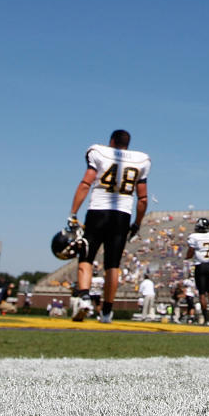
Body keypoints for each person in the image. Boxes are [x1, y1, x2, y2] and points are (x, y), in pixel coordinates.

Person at [68, 129, 150, 324]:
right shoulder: (141, 160)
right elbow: (143, 198)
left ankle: (85, 298)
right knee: (113, 265)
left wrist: (73, 213)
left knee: (86, 256)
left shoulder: (99, 152)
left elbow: (86, 183)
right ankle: (107, 311)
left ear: (111, 141)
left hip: (98, 211)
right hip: (122, 215)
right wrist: (137, 223)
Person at [185, 217, 209, 325]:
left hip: (200, 265)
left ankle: (206, 317)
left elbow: (190, 253)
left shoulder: (194, 237)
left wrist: (186, 258)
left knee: (202, 293)